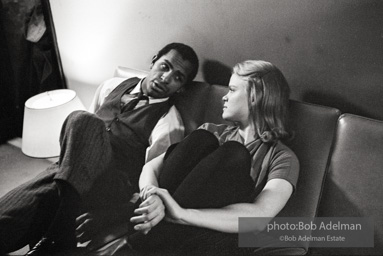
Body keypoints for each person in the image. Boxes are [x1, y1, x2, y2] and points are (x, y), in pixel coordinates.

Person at [0, 42, 199, 255]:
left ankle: (61, 226)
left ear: (182, 87)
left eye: (178, 77)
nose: (166, 78)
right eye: (164, 66)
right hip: (70, 174)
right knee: (8, 218)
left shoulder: (169, 123)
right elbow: (81, 136)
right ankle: (61, 229)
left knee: (83, 119)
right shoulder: (111, 86)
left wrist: (111, 215)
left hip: (110, 185)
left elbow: (150, 183)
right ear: (153, 61)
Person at [122, 60, 300, 255]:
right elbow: (152, 168)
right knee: (202, 138)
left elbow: (260, 215)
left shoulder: (282, 157)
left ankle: (146, 239)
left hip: (213, 235)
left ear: (255, 96)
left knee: (235, 153)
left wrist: (182, 214)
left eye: (232, 90)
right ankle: (152, 236)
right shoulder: (211, 131)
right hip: (163, 226)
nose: (224, 97)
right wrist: (154, 196)